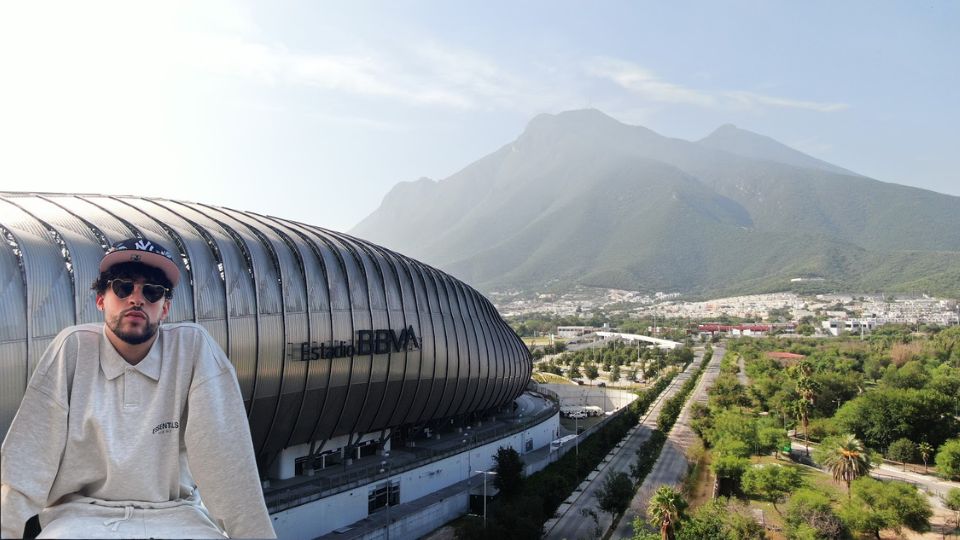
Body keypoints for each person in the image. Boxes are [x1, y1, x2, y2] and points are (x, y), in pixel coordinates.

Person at [1, 238, 276, 539]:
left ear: (165, 308)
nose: (136, 299)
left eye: (152, 291)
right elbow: (26, 463)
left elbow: (228, 465)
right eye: (122, 287)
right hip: (78, 519)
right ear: (101, 300)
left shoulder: (193, 349)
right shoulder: (72, 349)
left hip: (176, 516)